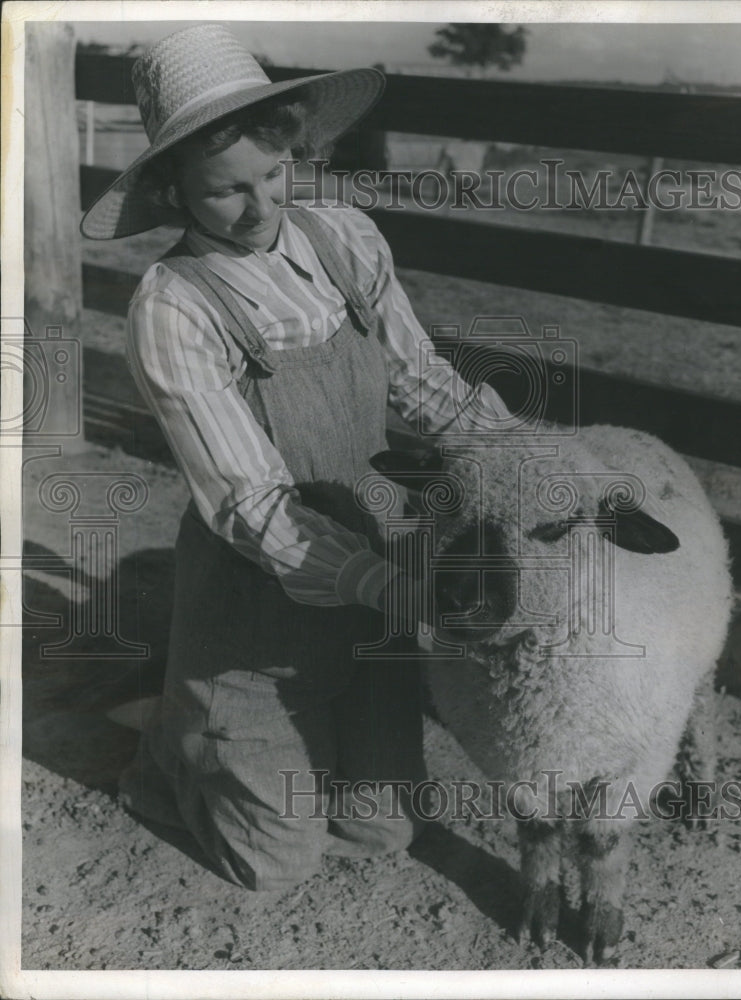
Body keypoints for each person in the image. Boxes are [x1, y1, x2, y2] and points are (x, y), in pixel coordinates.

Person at [82, 23, 509, 893]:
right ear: (171, 192)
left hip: (372, 577)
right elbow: (251, 508)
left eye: (273, 176)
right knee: (274, 863)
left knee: (380, 829)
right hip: (259, 604)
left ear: (293, 152)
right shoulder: (175, 308)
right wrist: (395, 587)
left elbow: (416, 376)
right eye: (224, 192)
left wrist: (504, 446)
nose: (261, 207)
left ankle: (274, 730)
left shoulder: (343, 239)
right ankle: (173, 748)